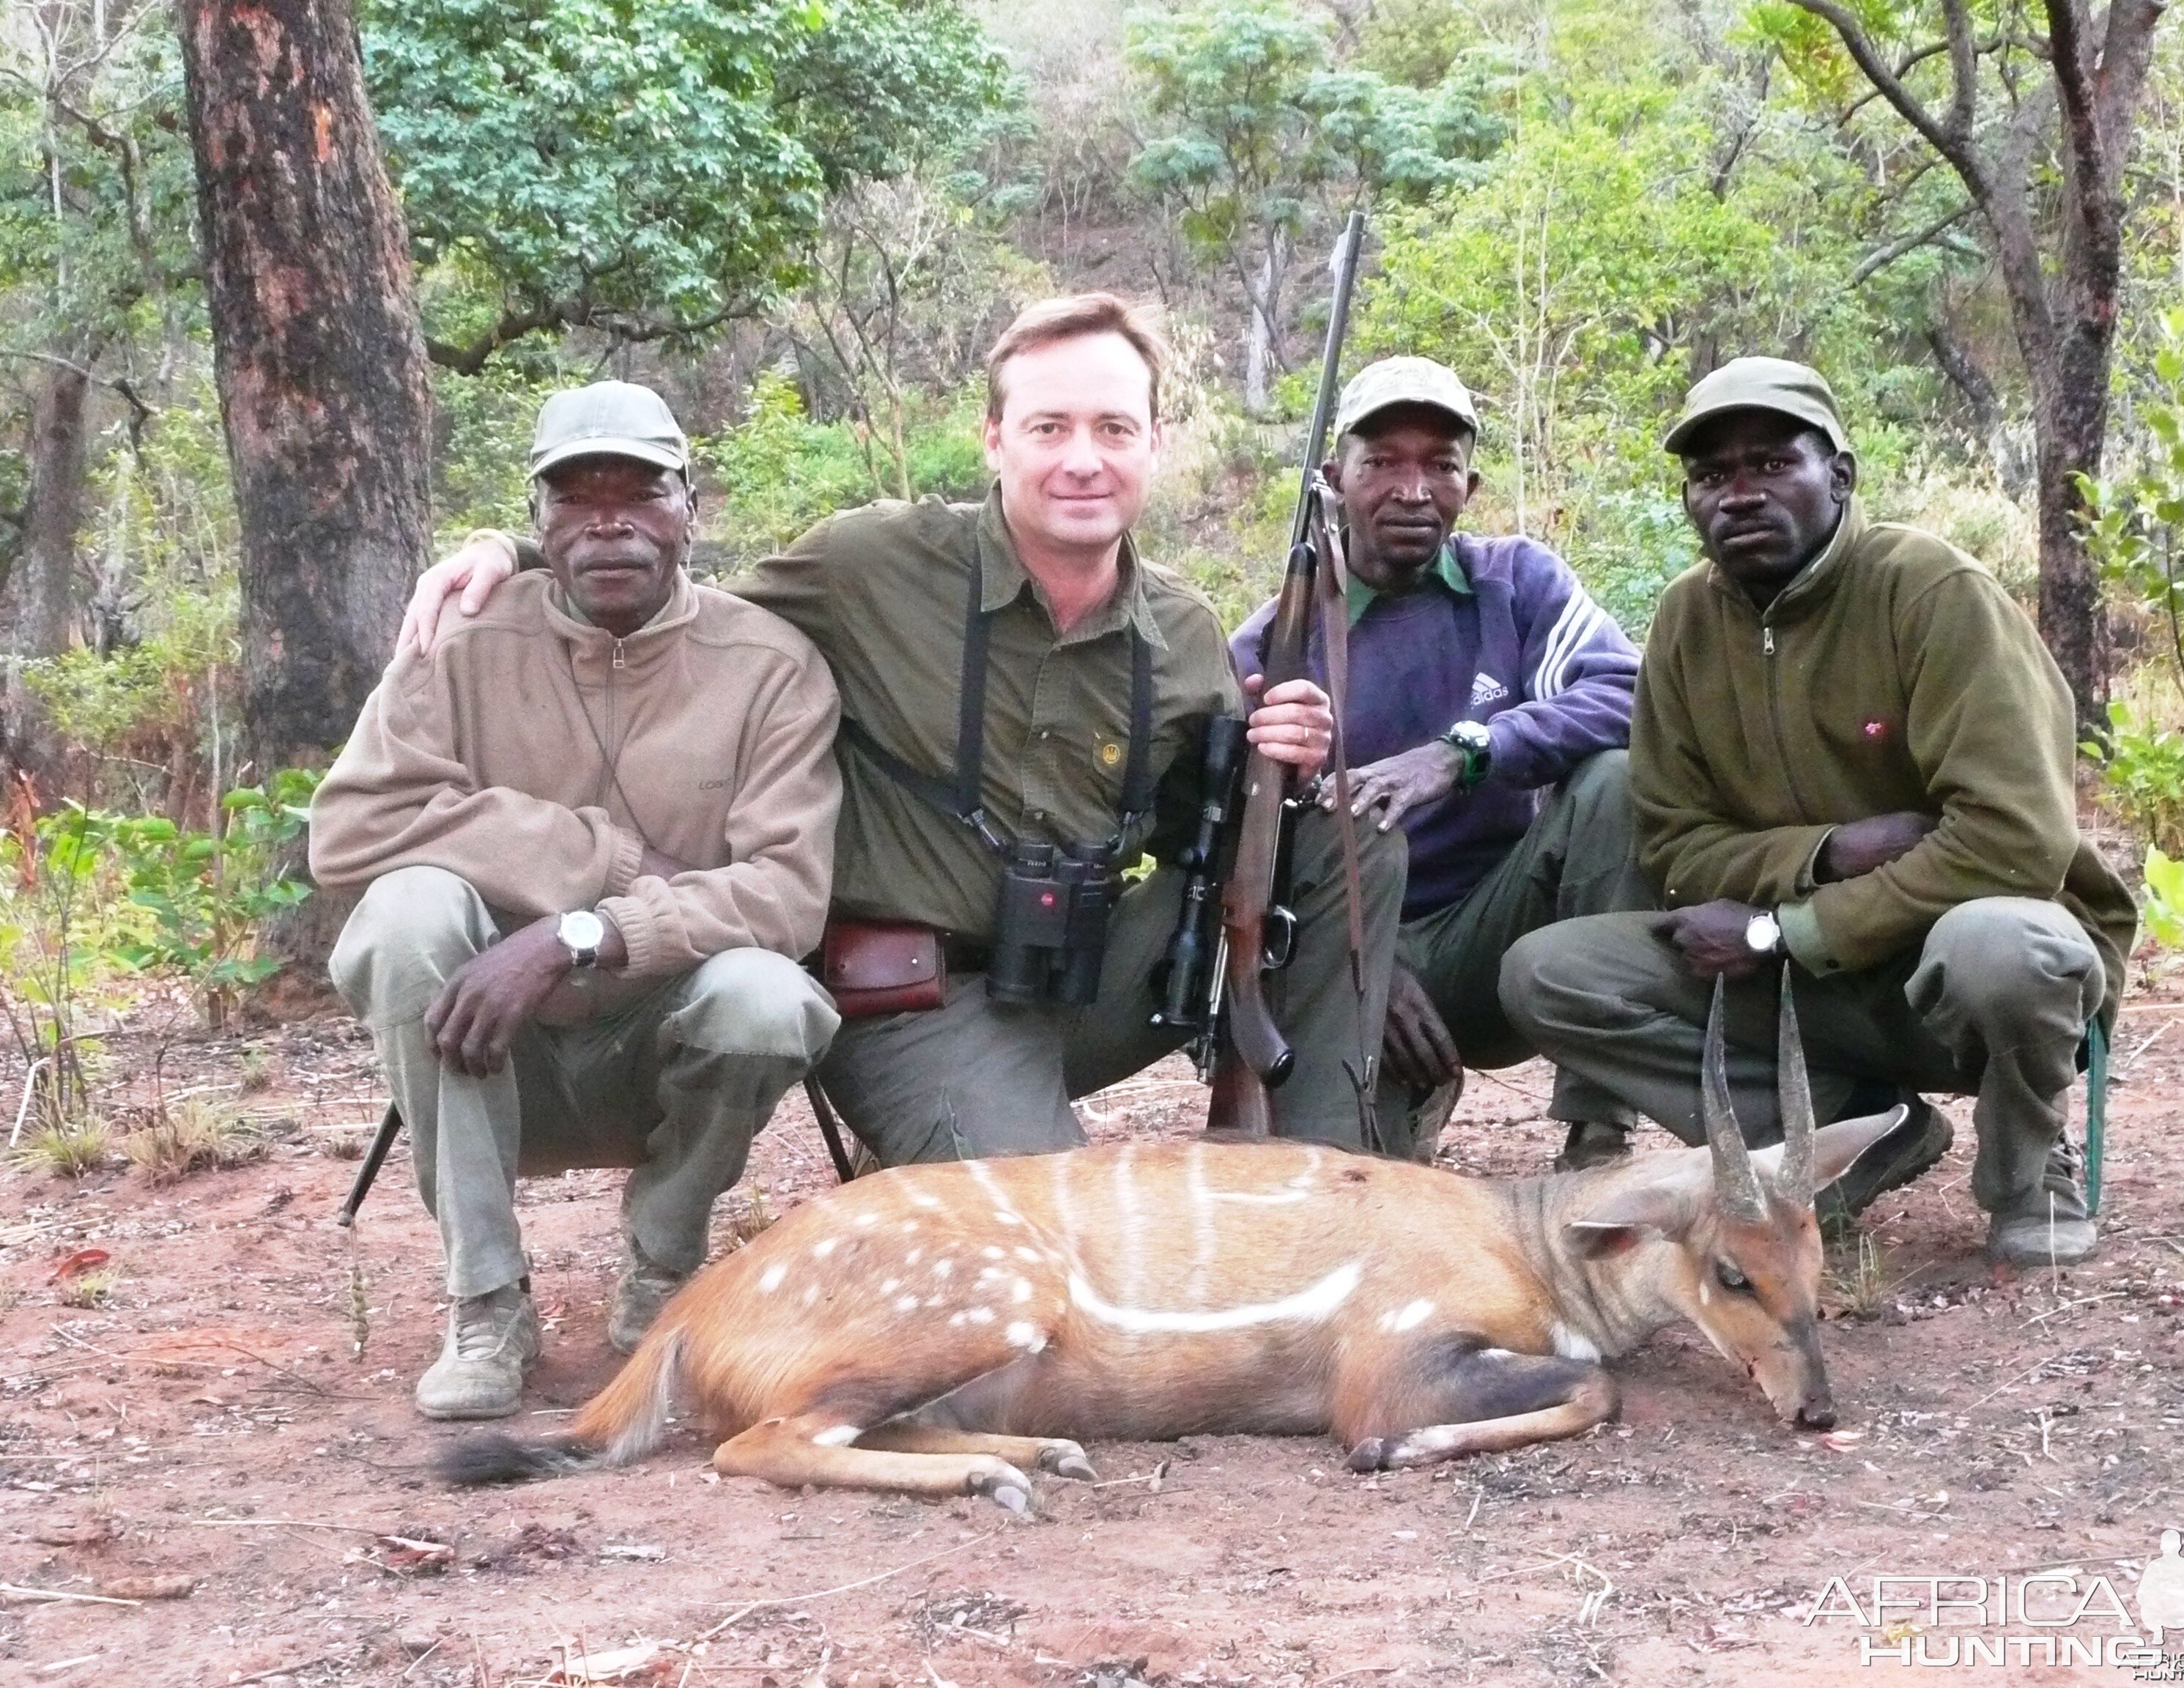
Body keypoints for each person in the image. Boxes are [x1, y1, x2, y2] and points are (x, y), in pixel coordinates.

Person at [398, 296, 1402, 1166]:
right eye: (1050, 428)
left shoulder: (1181, 632)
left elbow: (1218, 836)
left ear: (1154, 443)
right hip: (921, 993)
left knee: (1346, 836)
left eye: (1114, 429)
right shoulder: (868, 564)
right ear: (995, 439)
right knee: (1048, 1242)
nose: (1083, 461)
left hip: (1086, 972)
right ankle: (954, 1141)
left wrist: (1284, 765)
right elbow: (677, 607)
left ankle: (1324, 1178)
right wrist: (521, 550)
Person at [1501, 357, 2138, 1267]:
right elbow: (1676, 840)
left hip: (1950, 977)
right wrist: (1829, 853)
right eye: (1712, 476)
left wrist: (1782, 932)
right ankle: (1857, 1136)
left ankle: (2031, 1171)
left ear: (1839, 476)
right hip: (1808, 984)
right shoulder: (1686, 621)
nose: (1740, 494)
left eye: (1771, 464)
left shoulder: (1931, 593)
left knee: (2010, 944)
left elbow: (2014, 841)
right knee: (1549, 974)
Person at [313, 381, 843, 1419]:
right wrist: (597, 864)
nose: (609, 522)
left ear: (692, 508)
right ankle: (485, 1299)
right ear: (537, 520)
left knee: (767, 996)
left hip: (664, 1044)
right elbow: (349, 830)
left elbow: (786, 894)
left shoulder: (769, 667)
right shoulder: (457, 638)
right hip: (485, 1051)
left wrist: (590, 931)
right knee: (408, 912)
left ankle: (665, 1261)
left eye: (640, 493)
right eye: (575, 497)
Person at [1230, 356, 1646, 1163]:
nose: (1413, 490)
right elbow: (1241, 866)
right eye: (1382, 462)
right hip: (1345, 971)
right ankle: (1401, 1099)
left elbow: (1629, 693)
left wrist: (1467, 753)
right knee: (1354, 1191)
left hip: (1495, 934)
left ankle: (1599, 1130)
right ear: (1334, 478)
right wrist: (1359, 969)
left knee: (1615, 783)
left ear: (1472, 484)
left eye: (1440, 466)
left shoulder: (1518, 585)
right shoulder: (1268, 648)